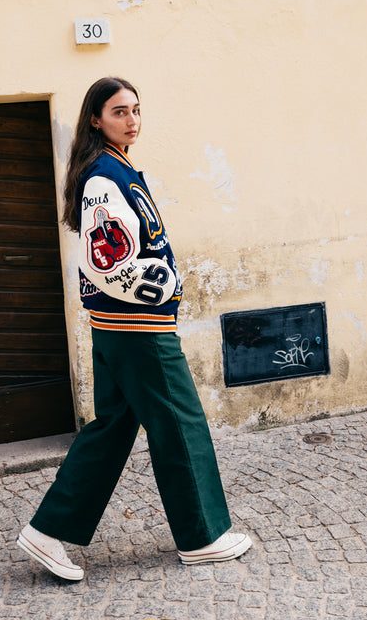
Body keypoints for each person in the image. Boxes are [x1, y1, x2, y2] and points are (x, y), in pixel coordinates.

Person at [16, 77, 252, 580]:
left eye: (137, 110)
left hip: (120, 329)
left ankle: (46, 532)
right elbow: (107, 263)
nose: (133, 120)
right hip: (137, 330)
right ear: (96, 119)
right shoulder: (104, 177)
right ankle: (202, 536)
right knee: (181, 423)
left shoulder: (115, 170)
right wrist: (163, 286)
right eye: (120, 112)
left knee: (113, 429)